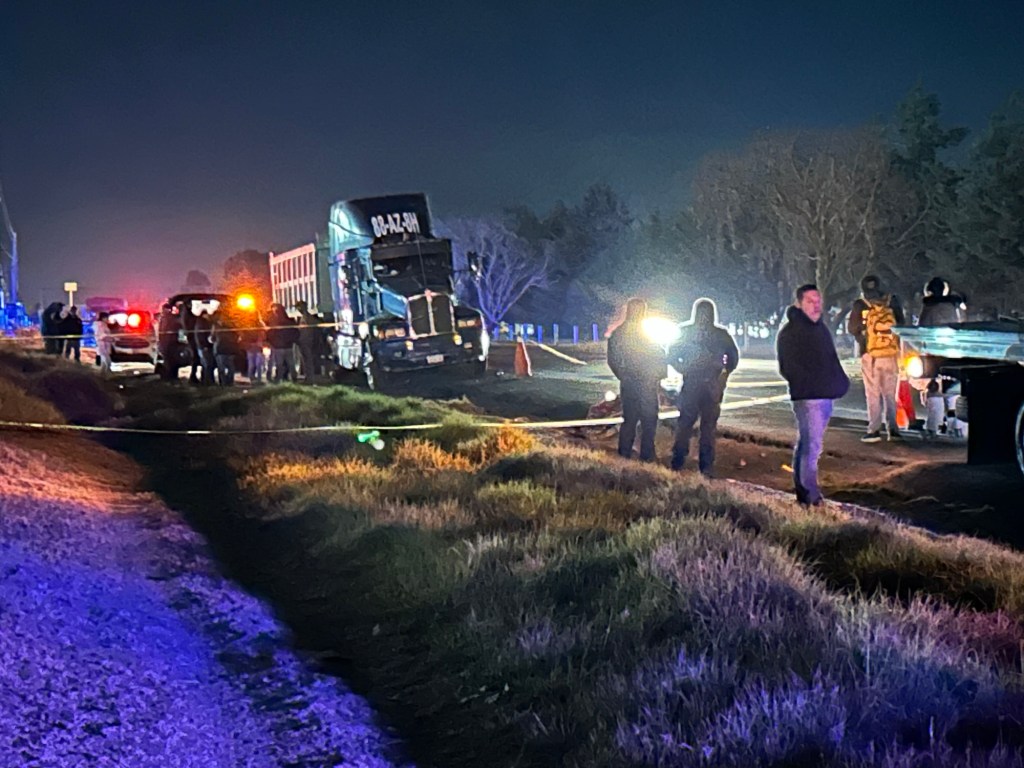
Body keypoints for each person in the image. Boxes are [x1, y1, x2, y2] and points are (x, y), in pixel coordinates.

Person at [777, 284, 850, 507]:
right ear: (799, 303)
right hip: (808, 396)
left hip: (823, 394)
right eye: (810, 300)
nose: (816, 305)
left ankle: (805, 490)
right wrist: (809, 384)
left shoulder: (820, 329)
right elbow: (788, 367)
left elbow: (831, 359)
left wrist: (839, 382)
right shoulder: (791, 332)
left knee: (809, 444)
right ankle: (809, 495)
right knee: (812, 446)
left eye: (818, 300)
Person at [667, 298, 739, 477]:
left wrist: (683, 368)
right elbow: (733, 358)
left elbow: (672, 354)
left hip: (701, 383)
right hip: (703, 384)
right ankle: (701, 465)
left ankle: (682, 461)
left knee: (690, 425)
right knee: (701, 427)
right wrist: (723, 374)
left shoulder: (690, 332)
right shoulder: (716, 334)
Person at [606, 297, 667, 462]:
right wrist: (658, 376)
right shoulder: (647, 333)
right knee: (648, 420)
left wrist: (623, 375)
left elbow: (612, 360)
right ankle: (646, 455)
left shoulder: (619, 333)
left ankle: (625, 454)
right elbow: (660, 356)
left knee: (630, 420)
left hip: (631, 383)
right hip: (645, 383)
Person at [847, 274, 906, 442]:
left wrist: (863, 336)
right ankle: (893, 429)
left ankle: (874, 430)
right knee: (890, 393)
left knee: (872, 393)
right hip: (891, 354)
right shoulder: (892, 302)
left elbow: (852, 328)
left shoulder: (860, 305)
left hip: (869, 354)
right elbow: (901, 324)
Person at [917, 276, 965, 437]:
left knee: (934, 390)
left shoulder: (928, 306)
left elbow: (921, 329)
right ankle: (955, 426)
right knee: (952, 390)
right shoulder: (953, 305)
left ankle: (933, 426)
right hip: (953, 353)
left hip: (933, 353)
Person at [266, 304, 299, 382]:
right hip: (288, 346)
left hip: (278, 347)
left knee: (279, 364)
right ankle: (294, 378)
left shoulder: (275, 322)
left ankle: (279, 378)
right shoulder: (290, 321)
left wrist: (270, 341)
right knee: (291, 364)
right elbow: (295, 332)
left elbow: (271, 333)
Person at [210, 310, 241, 386]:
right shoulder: (229, 326)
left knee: (224, 368)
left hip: (222, 349)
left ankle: (225, 382)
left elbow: (212, 338)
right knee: (228, 368)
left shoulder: (216, 327)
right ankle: (227, 382)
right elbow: (237, 336)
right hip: (225, 349)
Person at [156, 304, 183, 381]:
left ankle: (170, 376)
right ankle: (170, 376)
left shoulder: (163, 318)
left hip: (167, 343)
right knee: (170, 361)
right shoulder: (168, 318)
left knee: (169, 360)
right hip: (169, 343)